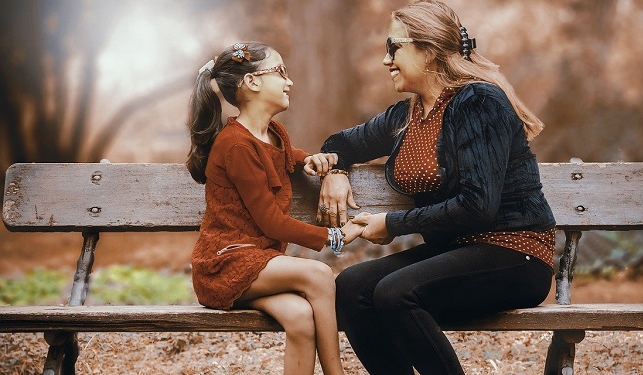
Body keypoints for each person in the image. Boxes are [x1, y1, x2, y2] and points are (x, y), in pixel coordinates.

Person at [317, 2, 557, 374]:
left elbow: (478, 206)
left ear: (427, 51)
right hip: (454, 251)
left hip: (515, 252)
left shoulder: (478, 101)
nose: (386, 60)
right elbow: (341, 143)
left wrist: (393, 223)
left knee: (396, 293)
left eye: (393, 47)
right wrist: (336, 172)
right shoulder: (405, 115)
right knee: (351, 287)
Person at [186, 41, 363, 375]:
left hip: (258, 262)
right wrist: (336, 236)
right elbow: (272, 223)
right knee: (319, 274)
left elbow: (286, 155)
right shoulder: (235, 144)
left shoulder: (272, 133)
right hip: (224, 264)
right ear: (251, 83)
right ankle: (336, 373)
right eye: (280, 71)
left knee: (300, 317)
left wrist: (311, 159)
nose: (289, 81)